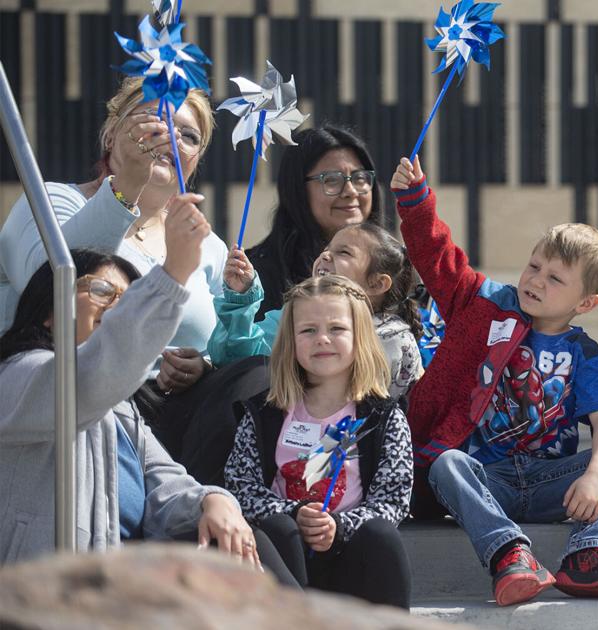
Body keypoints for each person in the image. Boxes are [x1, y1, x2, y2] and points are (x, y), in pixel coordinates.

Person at [392, 157, 598, 606]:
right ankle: (509, 553)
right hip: (486, 478)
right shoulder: (484, 304)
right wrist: (416, 203)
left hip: (554, 483)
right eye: (534, 267)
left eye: (555, 279)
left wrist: (593, 476)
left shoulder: (584, 352)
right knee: (447, 463)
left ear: (585, 302)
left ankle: (592, 552)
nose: (536, 281)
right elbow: (437, 257)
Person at [0, 212, 288, 581]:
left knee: (251, 538)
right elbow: (89, 380)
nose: (117, 307)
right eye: (101, 291)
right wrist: (174, 273)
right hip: (43, 586)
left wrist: (213, 501)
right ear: (49, 312)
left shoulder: (119, 403)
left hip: (120, 573)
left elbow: (163, 480)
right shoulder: (21, 375)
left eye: (128, 298)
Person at [0, 77, 225, 400]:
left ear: (196, 160)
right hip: (68, 402)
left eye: (188, 136)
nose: (170, 136)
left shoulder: (204, 242)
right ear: (110, 135)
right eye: (154, 121)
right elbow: (49, 286)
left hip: (182, 414)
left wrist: (204, 365)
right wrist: (126, 188)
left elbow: (224, 341)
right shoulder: (48, 201)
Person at [224, 274, 414, 607]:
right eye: (308, 330)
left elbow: (393, 501)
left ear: (360, 338)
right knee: (277, 527)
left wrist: (338, 527)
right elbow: (240, 486)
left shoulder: (383, 418)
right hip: (286, 561)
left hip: (350, 554)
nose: (322, 339)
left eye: (337, 329)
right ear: (291, 340)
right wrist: (295, 513)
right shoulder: (265, 413)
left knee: (381, 536)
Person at [213, 221, 422, 399]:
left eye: (343, 252)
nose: (326, 256)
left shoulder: (393, 340)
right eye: (326, 249)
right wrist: (241, 299)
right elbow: (237, 360)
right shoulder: (292, 317)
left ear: (377, 284)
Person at [245, 126, 389, 318]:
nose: (351, 191)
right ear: (296, 189)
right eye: (331, 180)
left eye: (360, 178)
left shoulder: (394, 265)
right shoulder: (254, 276)